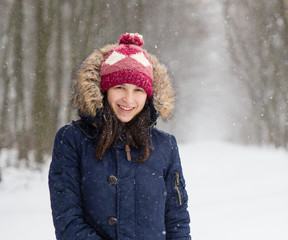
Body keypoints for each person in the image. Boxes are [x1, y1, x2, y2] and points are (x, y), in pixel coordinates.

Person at [48, 33, 191, 240]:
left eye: (138, 90)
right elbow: (68, 221)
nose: (129, 99)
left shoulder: (165, 146)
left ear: (149, 95)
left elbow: (177, 222)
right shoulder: (72, 140)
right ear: (105, 90)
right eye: (119, 87)